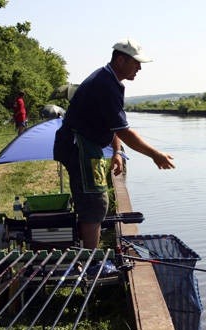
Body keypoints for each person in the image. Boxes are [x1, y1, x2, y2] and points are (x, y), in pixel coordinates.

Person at [54, 38, 175, 249]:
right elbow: (124, 131)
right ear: (120, 60)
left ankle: (87, 254)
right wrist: (155, 154)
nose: (139, 68)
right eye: (136, 62)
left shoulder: (109, 80)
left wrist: (117, 152)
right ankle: (91, 261)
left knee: (96, 202)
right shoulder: (105, 84)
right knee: (94, 204)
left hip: (85, 147)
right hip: (78, 148)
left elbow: (112, 124)